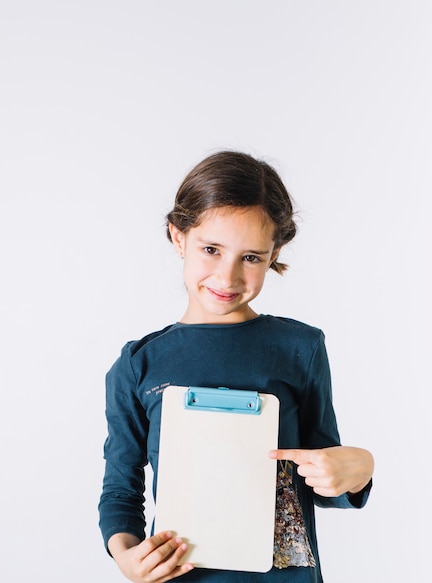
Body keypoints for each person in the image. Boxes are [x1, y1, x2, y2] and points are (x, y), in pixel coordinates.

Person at [98, 151, 374, 582]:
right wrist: (125, 554)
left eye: (251, 257)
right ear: (178, 236)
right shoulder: (139, 364)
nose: (227, 278)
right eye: (211, 249)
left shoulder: (300, 347)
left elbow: (324, 472)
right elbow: (120, 486)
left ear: (274, 253)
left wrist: (358, 468)